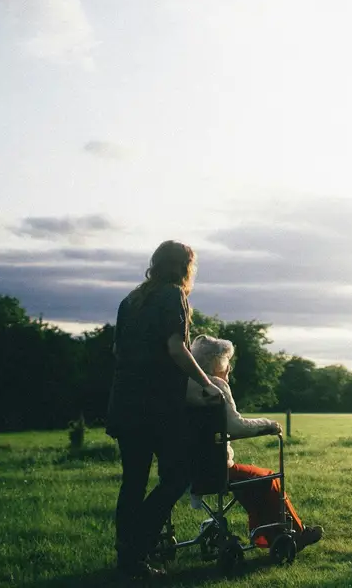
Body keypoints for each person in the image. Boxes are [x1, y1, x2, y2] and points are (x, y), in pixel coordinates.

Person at [106, 240, 224, 579]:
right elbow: (176, 348)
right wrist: (206, 382)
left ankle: (127, 559)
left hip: (124, 403)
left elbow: (118, 350)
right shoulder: (174, 296)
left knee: (133, 482)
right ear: (186, 267)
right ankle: (135, 546)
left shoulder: (130, 300)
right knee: (176, 477)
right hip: (156, 406)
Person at [185, 334, 324, 551]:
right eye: (227, 362)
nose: (229, 368)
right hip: (216, 469)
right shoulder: (216, 386)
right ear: (216, 362)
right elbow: (236, 427)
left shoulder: (185, 386)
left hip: (187, 469)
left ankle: (270, 534)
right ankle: (293, 533)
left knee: (251, 480)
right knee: (267, 478)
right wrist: (268, 424)